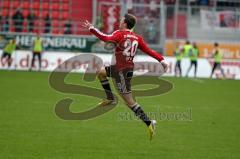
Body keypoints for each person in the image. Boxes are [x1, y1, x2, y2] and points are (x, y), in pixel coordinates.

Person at [81, 13, 169, 140]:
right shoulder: (137, 38)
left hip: (121, 73)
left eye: (121, 20)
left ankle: (149, 123)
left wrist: (92, 28)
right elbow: (149, 50)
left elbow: (105, 38)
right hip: (123, 69)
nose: (120, 21)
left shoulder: (120, 34)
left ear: (125, 23)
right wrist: (162, 60)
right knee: (100, 72)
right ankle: (110, 98)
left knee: (130, 103)